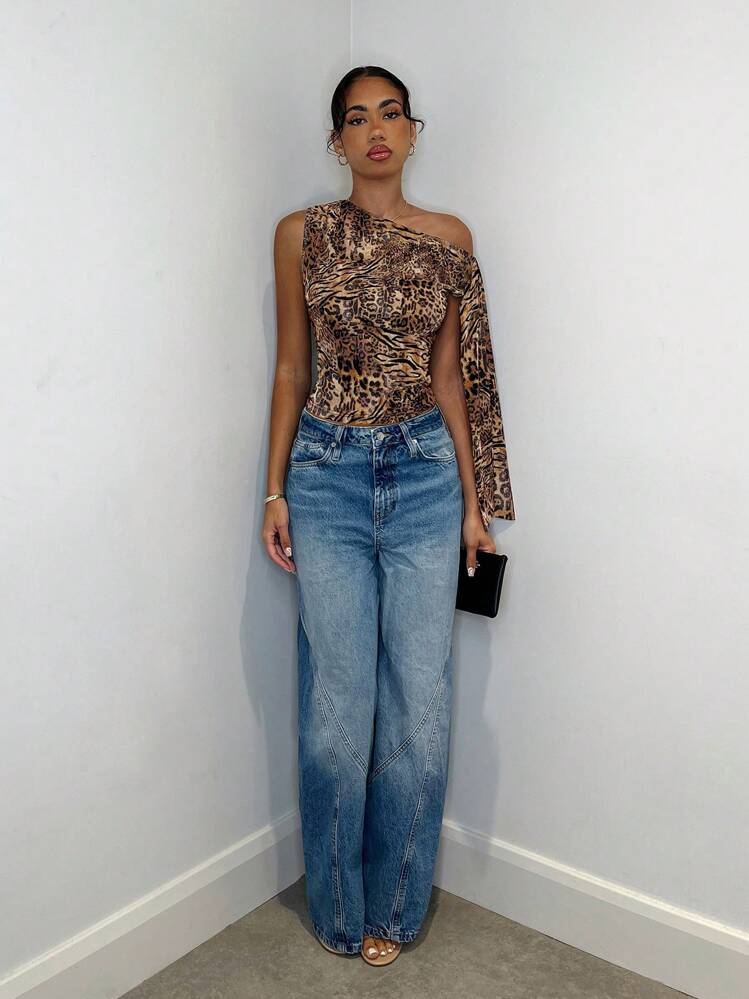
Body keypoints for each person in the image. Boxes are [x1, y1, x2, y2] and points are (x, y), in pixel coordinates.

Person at [261, 66, 515, 967]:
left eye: (391, 114)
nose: (375, 129)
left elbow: (452, 379)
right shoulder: (300, 234)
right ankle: (338, 903)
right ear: (335, 141)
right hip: (324, 473)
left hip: (423, 475)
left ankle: (396, 903)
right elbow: (291, 368)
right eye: (356, 118)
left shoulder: (450, 238)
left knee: (418, 698)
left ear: (413, 131)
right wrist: (274, 489)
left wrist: (475, 505)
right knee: (337, 702)